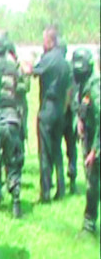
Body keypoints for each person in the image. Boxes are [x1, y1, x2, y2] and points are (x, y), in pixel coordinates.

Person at [27, 25, 69, 202]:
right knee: (57, 150)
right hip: (60, 109)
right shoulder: (64, 61)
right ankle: (61, 188)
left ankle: (45, 192)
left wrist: (27, 62)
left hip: (48, 108)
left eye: (44, 39)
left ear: (50, 41)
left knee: (44, 150)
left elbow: (31, 72)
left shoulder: (49, 58)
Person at [0, 30, 25, 218]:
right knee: (13, 162)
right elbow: (22, 89)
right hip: (11, 119)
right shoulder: (14, 66)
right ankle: (16, 202)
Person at [71, 48, 100, 235]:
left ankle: (89, 225)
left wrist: (95, 150)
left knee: (92, 184)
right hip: (89, 137)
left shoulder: (95, 86)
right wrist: (78, 122)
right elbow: (80, 106)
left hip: (97, 141)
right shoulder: (83, 84)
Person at [58, 39, 78, 194]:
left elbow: (69, 91)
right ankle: (71, 180)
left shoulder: (64, 68)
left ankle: (67, 181)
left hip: (66, 113)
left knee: (66, 148)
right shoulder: (69, 67)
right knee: (71, 149)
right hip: (69, 112)